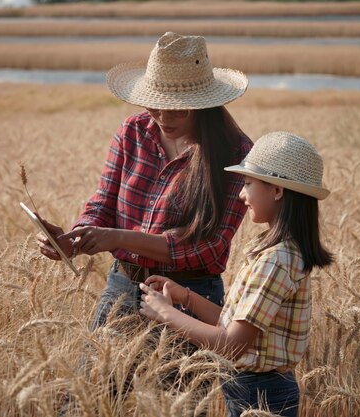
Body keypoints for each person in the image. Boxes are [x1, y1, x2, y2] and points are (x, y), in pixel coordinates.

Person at [36, 32, 252, 331]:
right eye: (154, 105)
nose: (163, 117)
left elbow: (209, 248)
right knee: (100, 378)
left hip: (190, 297)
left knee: (177, 380)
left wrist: (120, 238)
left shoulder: (236, 154)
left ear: (203, 103)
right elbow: (103, 203)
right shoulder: (133, 131)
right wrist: (75, 240)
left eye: (177, 108)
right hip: (122, 285)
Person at [139, 131, 334, 417]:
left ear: (277, 190)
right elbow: (232, 324)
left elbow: (231, 345)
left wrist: (166, 314)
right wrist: (185, 297)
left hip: (263, 395)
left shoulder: (277, 259)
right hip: (249, 386)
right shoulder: (271, 250)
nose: (242, 194)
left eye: (247, 183)